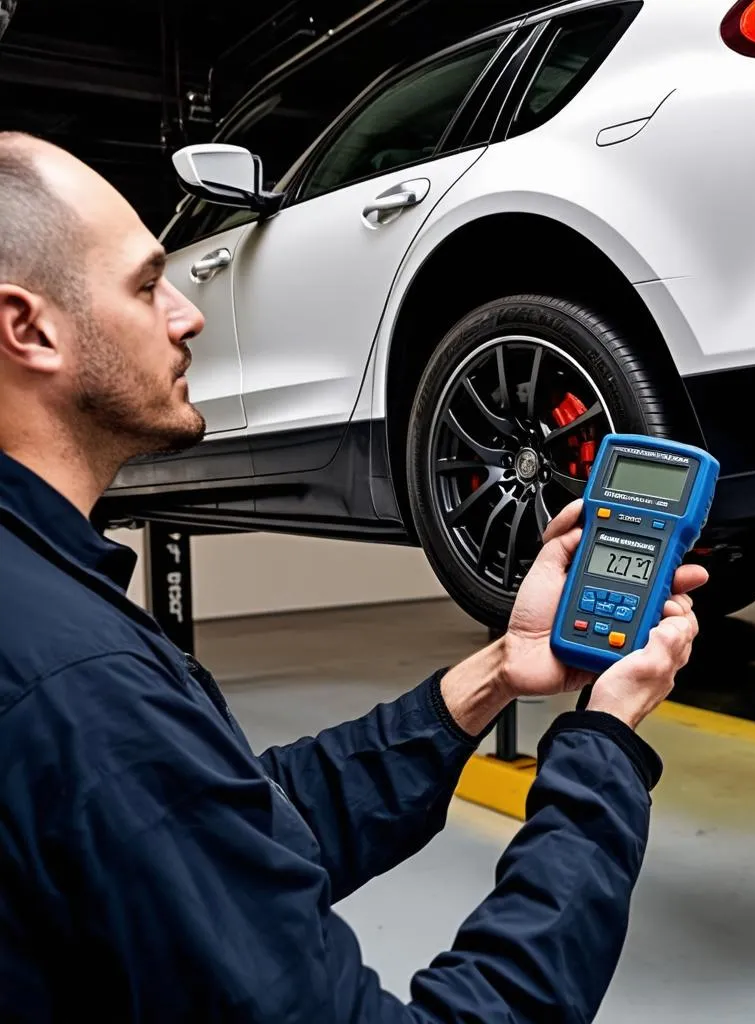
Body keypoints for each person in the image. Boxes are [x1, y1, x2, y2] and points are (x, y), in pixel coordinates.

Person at [0, 132, 708, 1023]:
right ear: (28, 328)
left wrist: (497, 672)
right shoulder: (81, 683)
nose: (189, 314)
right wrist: (603, 742)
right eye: (147, 285)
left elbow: (231, 836)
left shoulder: (37, 607)